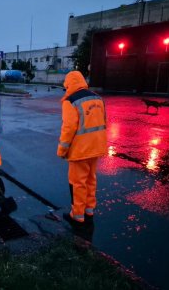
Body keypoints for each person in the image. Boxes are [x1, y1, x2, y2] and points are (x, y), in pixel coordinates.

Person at [57, 71, 107, 226]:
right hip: (96, 147)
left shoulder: (70, 101)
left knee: (77, 182)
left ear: (68, 84)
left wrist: (62, 150)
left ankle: (77, 215)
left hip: (80, 151)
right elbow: (104, 121)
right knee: (91, 179)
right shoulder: (97, 98)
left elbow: (68, 128)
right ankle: (89, 209)